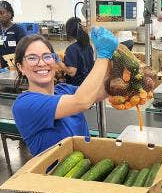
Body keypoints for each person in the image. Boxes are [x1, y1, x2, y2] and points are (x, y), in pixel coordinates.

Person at [12, 28, 118, 156]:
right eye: (32, 58)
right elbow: (82, 102)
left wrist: (115, 62)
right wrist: (103, 55)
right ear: (20, 67)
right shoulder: (24, 104)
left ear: (54, 59)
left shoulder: (64, 89)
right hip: (55, 174)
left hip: (86, 167)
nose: (42, 63)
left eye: (47, 56)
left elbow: (104, 90)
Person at [55, 17, 94, 86]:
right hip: (88, 84)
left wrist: (58, 61)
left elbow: (71, 72)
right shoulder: (88, 46)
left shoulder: (72, 49)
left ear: (69, 31)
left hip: (76, 87)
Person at [0, 0, 26, 69]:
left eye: (1, 13)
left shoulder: (18, 30)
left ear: (10, 14)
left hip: (14, 66)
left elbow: (24, 50)